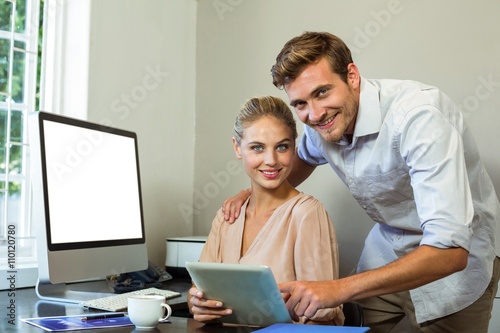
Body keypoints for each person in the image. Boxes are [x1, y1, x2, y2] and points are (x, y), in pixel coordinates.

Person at [222, 32, 500, 333]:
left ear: (352, 76)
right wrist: (253, 194)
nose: (314, 114)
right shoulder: (321, 123)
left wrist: (337, 288)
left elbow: (450, 250)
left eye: (322, 92)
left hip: (455, 261)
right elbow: (299, 160)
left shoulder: (419, 118)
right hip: (388, 250)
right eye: (300, 103)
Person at [188, 96, 344, 325]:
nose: (271, 160)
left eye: (282, 147)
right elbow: (198, 292)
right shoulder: (227, 217)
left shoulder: (306, 214)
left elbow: (323, 315)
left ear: (294, 147)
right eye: (257, 148)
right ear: (237, 148)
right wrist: (198, 305)